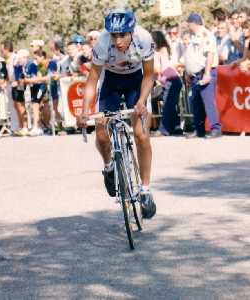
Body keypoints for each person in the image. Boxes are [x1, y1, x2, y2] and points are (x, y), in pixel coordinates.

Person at [77, 9, 156, 219]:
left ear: (132, 31)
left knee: (141, 135)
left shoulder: (144, 38)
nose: (118, 40)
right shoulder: (102, 43)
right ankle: (109, 166)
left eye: (122, 35)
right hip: (111, 82)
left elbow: (149, 76)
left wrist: (141, 101)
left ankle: (145, 190)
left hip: (135, 81)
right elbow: (92, 80)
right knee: (101, 132)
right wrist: (85, 111)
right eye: (114, 35)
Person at [183, 13, 222, 138]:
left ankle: (216, 129)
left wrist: (207, 73)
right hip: (195, 75)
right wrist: (188, 73)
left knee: (208, 102)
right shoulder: (194, 36)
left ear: (194, 23)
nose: (188, 26)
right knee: (196, 103)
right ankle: (199, 130)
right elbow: (192, 56)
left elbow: (210, 54)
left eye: (189, 23)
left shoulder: (206, 34)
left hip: (205, 73)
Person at [152, 30, 182, 136]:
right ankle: (175, 127)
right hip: (170, 79)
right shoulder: (160, 50)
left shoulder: (161, 50)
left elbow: (158, 69)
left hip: (171, 79)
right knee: (170, 104)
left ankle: (164, 129)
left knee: (168, 105)